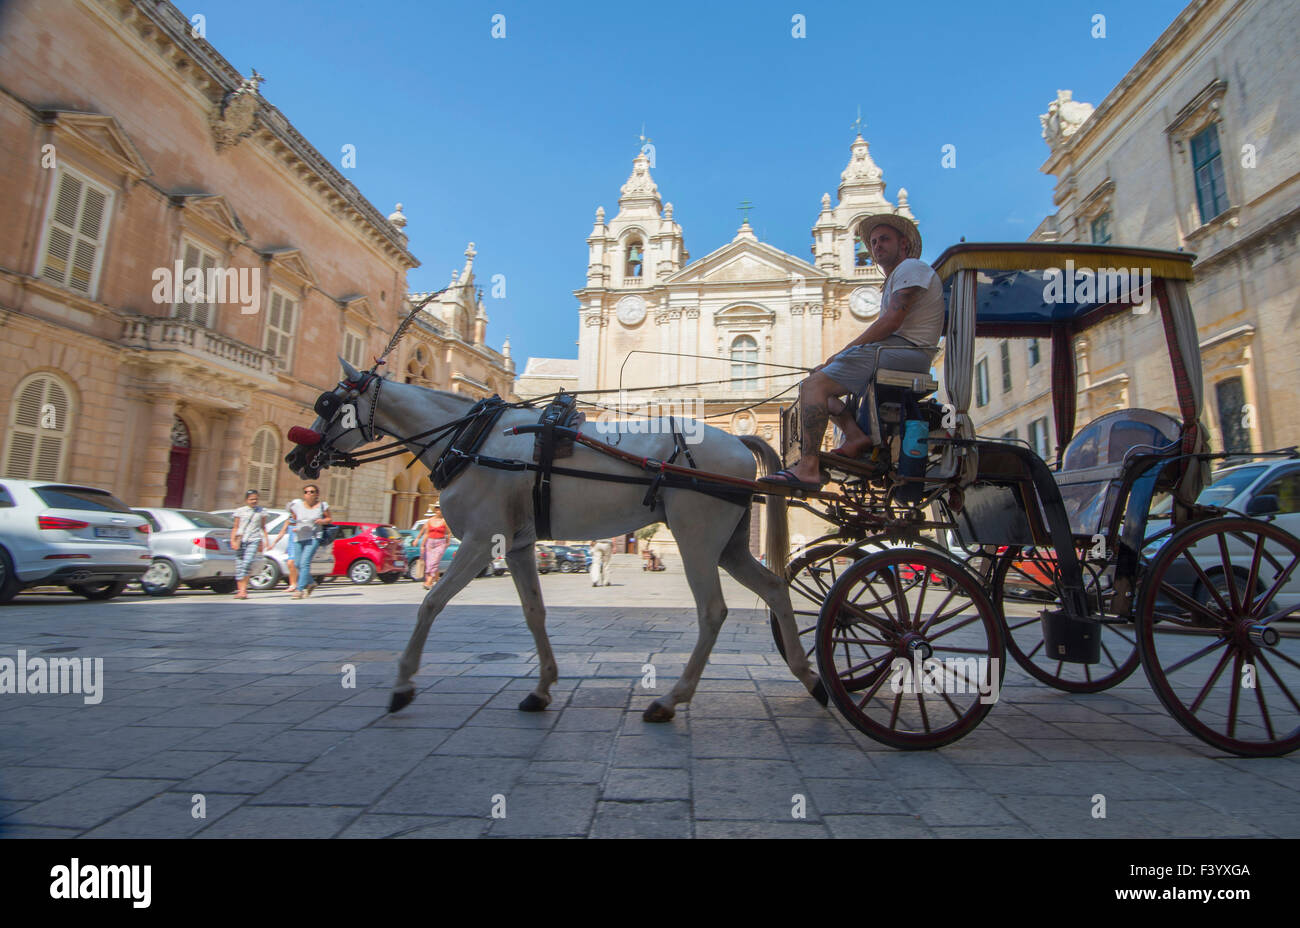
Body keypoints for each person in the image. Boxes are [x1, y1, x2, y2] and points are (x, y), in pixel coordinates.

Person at [760, 214, 944, 490]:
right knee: (812, 383)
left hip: (905, 352)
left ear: (903, 244)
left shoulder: (911, 268)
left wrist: (845, 351)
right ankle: (855, 436)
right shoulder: (897, 277)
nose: (876, 246)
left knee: (816, 386)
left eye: (884, 239)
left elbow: (891, 322)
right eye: (872, 242)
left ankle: (808, 469)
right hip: (895, 352)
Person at [273, 484, 331, 599]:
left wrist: (322, 521)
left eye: (312, 491)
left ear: (317, 494)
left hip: (314, 537)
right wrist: (294, 525)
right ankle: (311, 582)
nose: (309, 494)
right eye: (306, 492)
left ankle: (300, 589)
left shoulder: (322, 506)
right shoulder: (298, 505)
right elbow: (293, 518)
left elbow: (329, 519)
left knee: (305, 562)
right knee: (298, 563)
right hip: (299, 537)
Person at [229, 489, 272, 600]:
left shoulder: (262, 511)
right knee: (239, 565)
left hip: (254, 539)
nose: (254, 501)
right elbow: (235, 527)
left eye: (256, 499)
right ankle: (241, 591)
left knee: (247, 563)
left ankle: (244, 590)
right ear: (246, 500)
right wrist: (232, 540)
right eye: (251, 499)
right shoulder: (240, 511)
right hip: (241, 539)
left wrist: (265, 541)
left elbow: (263, 527)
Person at [415, 503, 449, 590]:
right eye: (437, 509)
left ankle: (428, 581)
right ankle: (437, 582)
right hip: (430, 542)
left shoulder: (444, 521)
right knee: (429, 562)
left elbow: (448, 532)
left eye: (440, 509)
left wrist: (447, 542)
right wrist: (421, 543)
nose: (438, 511)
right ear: (435, 510)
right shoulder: (430, 521)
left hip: (440, 543)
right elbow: (425, 533)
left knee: (434, 562)